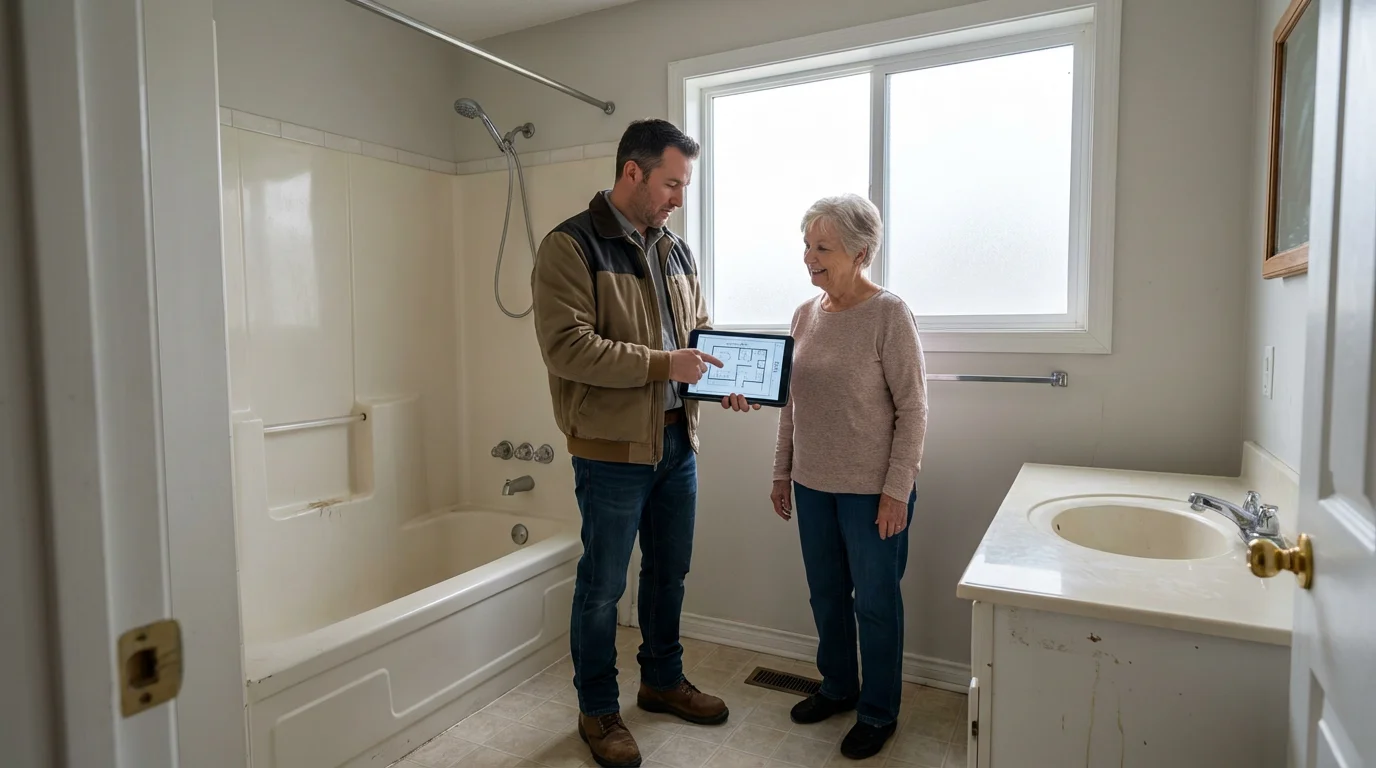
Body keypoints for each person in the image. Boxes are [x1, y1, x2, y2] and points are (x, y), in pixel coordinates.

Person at [532, 118, 758, 768]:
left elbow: (700, 334)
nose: (678, 197)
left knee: (669, 574)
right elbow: (568, 348)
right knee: (603, 587)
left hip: (676, 443)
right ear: (631, 172)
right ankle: (598, 711)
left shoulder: (676, 250)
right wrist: (666, 365)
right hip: (609, 450)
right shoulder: (570, 247)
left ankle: (661, 681)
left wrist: (724, 379)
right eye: (671, 183)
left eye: (683, 184)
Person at [770, 194, 928, 760]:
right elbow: (792, 403)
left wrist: (896, 491)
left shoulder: (889, 314)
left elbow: (913, 410)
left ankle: (879, 712)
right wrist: (782, 472)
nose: (809, 258)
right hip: (812, 487)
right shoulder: (805, 315)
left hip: (871, 494)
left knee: (876, 604)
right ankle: (838, 687)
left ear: (860, 253)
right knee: (827, 596)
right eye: (807, 245)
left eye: (822, 247)